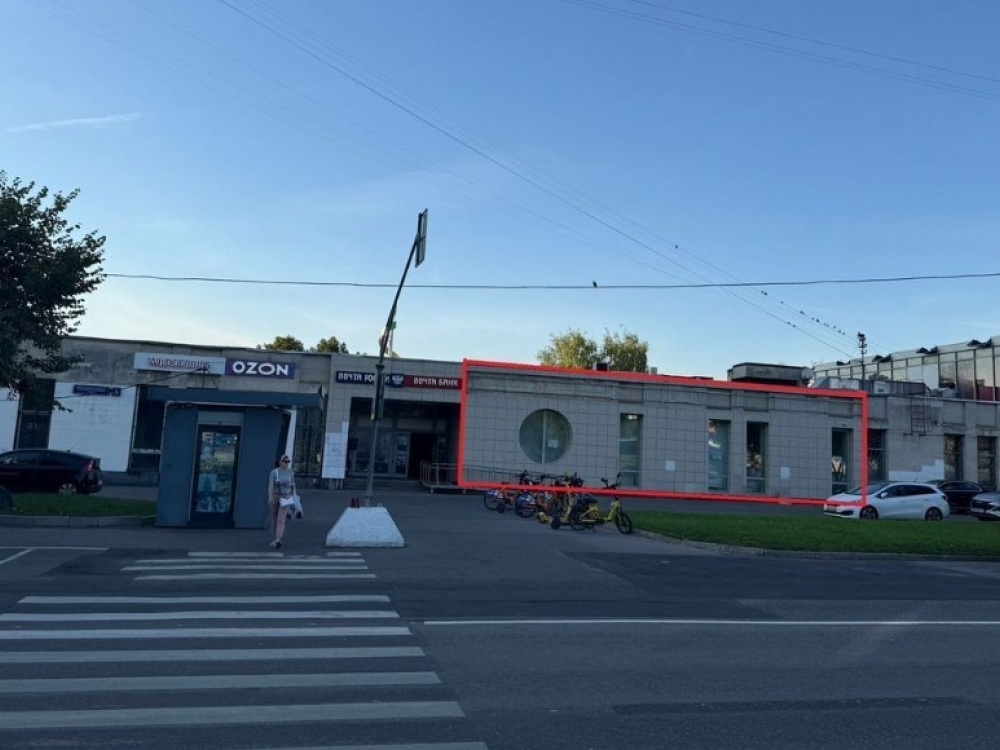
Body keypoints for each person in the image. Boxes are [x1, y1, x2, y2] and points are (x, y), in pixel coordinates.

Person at [268, 455, 296, 548]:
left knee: (281, 519)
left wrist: (293, 495)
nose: (287, 463)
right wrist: (270, 497)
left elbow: (293, 484)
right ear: (280, 462)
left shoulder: (290, 472)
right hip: (275, 496)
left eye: (288, 462)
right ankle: (274, 538)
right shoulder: (274, 472)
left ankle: (278, 539)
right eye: (285, 461)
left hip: (286, 497)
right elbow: (271, 486)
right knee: (274, 519)